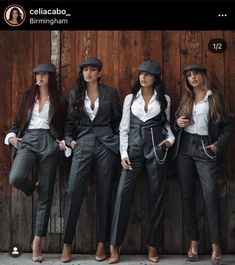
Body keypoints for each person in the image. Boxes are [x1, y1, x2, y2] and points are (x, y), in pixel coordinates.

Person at [109, 60, 175, 264]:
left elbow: (167, 126)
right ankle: (115, 246)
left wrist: (169, 141)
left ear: (155, 78)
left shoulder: (164, 99)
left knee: (157, 196)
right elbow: (124, 128)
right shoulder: (130, 98)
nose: (143, 77)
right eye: (141, 74)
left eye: (147, 74)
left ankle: (153, 245)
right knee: (122, 194)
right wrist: (123, 154)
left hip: (156, 150)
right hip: (133, 151)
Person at [4, 63, 68, 262]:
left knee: (46, 196)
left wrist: (62, 145)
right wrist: (12, 138)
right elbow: (15, 125)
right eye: (37, 74)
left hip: (49, 143)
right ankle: (32, 188)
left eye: (44, 74)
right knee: (15, 178)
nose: (39, 77)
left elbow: (66, 127)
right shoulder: (26, 98)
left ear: (51, 77)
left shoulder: (60, 100)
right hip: (29, 141)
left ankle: (37, 241)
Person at [61, 57, 122, 263]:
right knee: (73, 191)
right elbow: (68, 126)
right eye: (85, 69)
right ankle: (67, 244)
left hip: (107, 147)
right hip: (83, 145)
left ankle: (101, 243)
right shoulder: (74, 95)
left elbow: (117, 122)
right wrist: (70, 141)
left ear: (99, 73)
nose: (88, 73)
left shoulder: (110, 93)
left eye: (92, 69)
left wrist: (115, 142)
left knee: (105, 194)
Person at [175, 64, 233, 265]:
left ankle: (217, 244)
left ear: (203, 76)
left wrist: (218, 145)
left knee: (210, 195)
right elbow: (178, 122)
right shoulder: (186, 98)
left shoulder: (214, 97)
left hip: (205, 147)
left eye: (196, 74)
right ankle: (194, 242)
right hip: (184, 148)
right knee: (186, 195)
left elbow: (228, 125)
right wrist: (178, 123)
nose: (192, 78)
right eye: (189, 75)